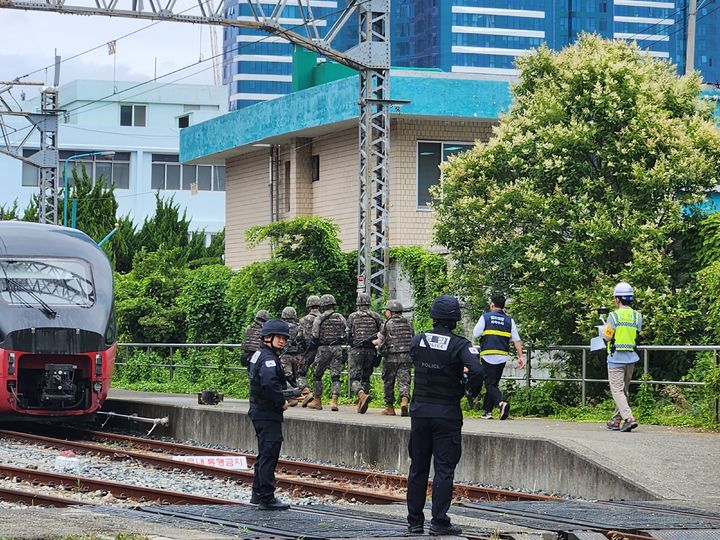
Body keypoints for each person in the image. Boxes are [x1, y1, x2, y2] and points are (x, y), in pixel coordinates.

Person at [406, 294, 483, 537]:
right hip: (447, 415)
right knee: (444, 470)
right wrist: (470, 388)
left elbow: (412, 360)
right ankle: (439, 522)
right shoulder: (460, 344)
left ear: (434, 317)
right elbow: (478, 369)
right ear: (455, 320)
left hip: (419, 414)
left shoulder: (419, 340)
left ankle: (414, 523)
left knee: (417, 468)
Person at [248, 318, 292, 511]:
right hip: (267, 413)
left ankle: (257, 494)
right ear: (267, 337)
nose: (282, 341)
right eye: (278, 337)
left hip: (259, 411)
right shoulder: (268, 359)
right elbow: (268, 383)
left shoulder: (258, 354)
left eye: (284, 338)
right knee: (269, 453)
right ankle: (267, 497)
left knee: (263, 453)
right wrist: (281, 401)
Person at [472, 294, 525, 420]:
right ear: (504, 306)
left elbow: (476, 333)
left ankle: (501, 402)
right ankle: (487, 411)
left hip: (488, 355)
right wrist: (521, 356)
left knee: (489, 383)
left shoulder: (485, 317)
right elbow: (516, 340)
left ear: (492, 304)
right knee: (493, 383)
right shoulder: (509, 321)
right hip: (502, 356)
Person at [602, 282, 642, 433]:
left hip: (615, 357)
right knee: (624, 390)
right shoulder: (637, 316)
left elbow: (607, 337)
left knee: (617, 391)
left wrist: (603, 330)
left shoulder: (613, 316)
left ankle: (629, 418)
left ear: (617, 299)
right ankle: (616, 420)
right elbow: (636, 333)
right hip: (631, 357)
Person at [373, 299, 414, 416]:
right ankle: (404, 401)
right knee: (404, 381)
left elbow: (380, 339)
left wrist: (375, 342)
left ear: (390, 311)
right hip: (406, 357)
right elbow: (413, 337)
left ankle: (389, 408)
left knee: (388, 382)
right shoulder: (408, 322)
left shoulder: (388, 323)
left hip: (390, 357)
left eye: (386, 311)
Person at [307, 293, 347, 411]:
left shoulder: (319, 318)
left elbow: (315, 336)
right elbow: (347, 332)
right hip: (338, 348)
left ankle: (317, 400)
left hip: (323, 348)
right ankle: (334, 401)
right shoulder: (340, 317)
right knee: (335, 375)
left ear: (322, 306)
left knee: (317, 374)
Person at [346, 292, 383, 414]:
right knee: (366, 377)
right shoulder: (376, 316)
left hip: (357, 350)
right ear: (368, 302)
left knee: (354, 377)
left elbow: (348, 334)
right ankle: (361, 403)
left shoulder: (352, 316)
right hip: (371, 351)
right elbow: (382, 333)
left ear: (358, 303)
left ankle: (361, 395)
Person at [298, 295, 321, 405]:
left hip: (308, 351)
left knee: (301, 372)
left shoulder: (303, 320)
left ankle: (306, 392)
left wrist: (302, 352)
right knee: (319, 375)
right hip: (322, 349)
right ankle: (319, 398)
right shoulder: (323, 318)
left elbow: (299, 337)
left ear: (308, 306)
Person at [279, 306, 302, 406]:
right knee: (297, 376)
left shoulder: (281, 326)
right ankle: (299, 394)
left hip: (285, 355)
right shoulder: (298, 327)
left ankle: (291, 397)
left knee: (286, 376)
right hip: (297, 355)